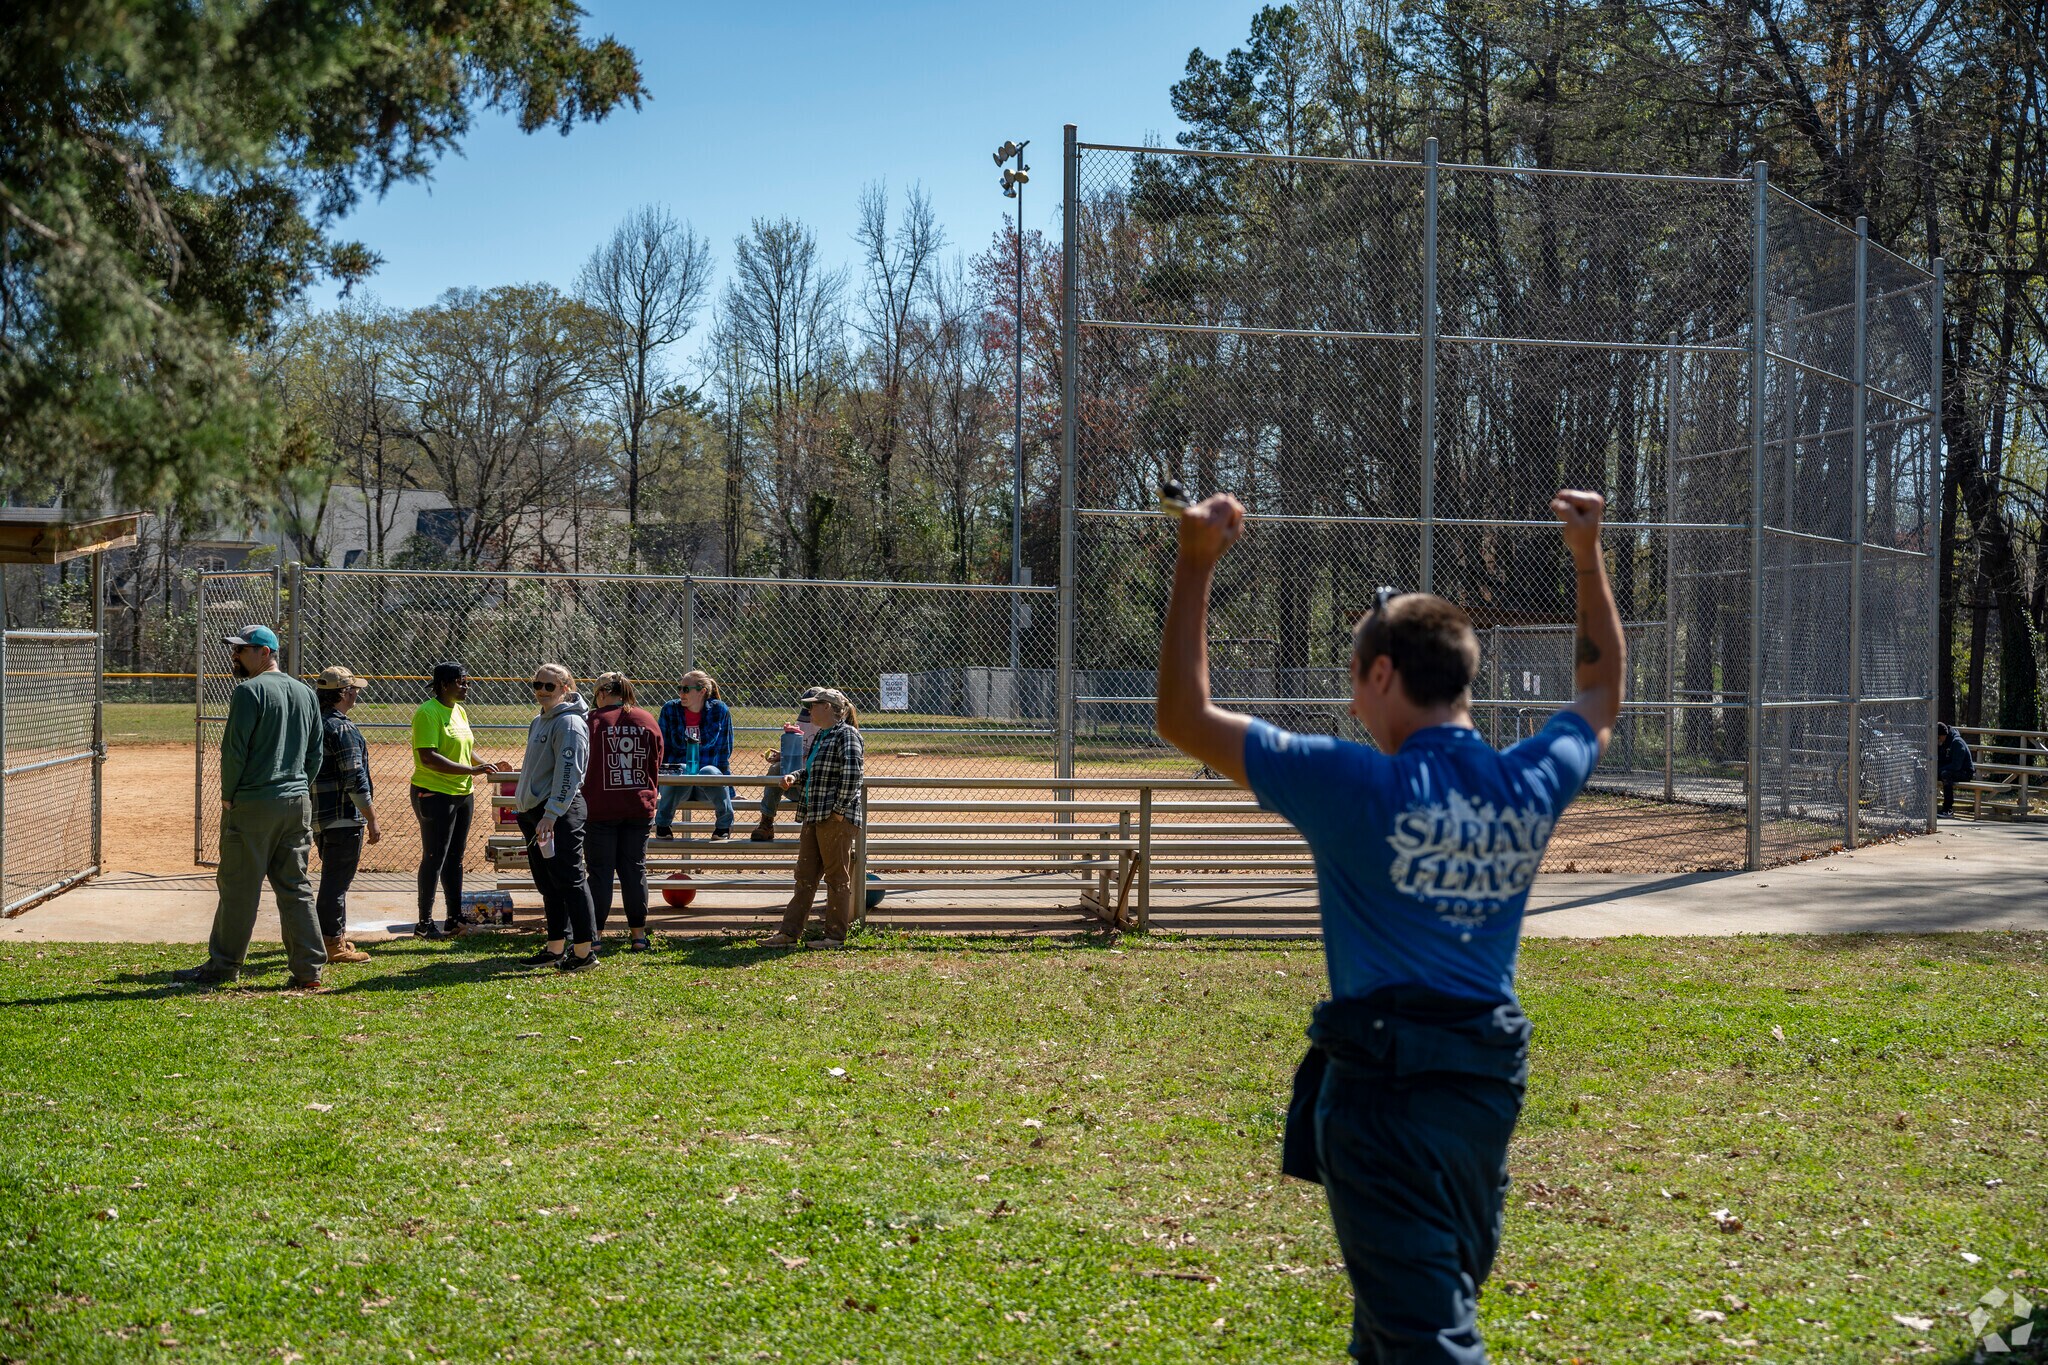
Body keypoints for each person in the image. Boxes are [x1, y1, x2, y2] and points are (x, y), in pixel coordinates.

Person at [1154, 490, 1623, 1365]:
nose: (1352, 699)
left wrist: (1194, 564)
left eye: (1353, 676)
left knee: (1425, 1339)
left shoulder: (1353, 783)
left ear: (1380, 677)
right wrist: (1587, 555)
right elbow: (1601, 690)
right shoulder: (1529, 781)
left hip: (1384, 1095)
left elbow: (1182, 716)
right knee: (1403, 1318)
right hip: (1484, 1086)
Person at [175, 625, 328, 990]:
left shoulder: (248, 691)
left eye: (242, 650)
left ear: (265, 652)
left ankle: (223, 967)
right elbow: (315, 752)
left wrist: (229, 795)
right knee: (295, 886)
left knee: (239, 888)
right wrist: (299, 787)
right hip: (297, 803)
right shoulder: (306, 692)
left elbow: (234, 751)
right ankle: (308, 971)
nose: (236, 656)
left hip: (255, 803)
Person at [760, 687, 864, 949]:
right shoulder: (822, 736)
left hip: (834, 818)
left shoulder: (847, 735)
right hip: (814, 814)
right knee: (804, 875)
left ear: (827, 707)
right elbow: (812, 770)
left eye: (813, 706)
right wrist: (794, 776)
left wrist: (839, 811)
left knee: (836, 878)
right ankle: (789, 933)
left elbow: (853, 776)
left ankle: (834, 937)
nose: (808, 711)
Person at [514, 663, 599, 971]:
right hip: (537, 813)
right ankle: (555, 948)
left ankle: (584, 952)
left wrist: (551, 814)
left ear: (565, 688)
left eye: (549, 686)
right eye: (537, 684)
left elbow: (569, 774)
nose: (541, 690)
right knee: (550, 884)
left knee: (571, 881)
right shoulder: (540, 720)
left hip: (558, 813)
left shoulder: (570, 724)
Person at [409, 661, 504, 939]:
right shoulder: (428, 713)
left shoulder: (459, 711)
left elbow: (468, 749)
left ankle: (453, 917)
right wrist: (471, 770)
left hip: (463, 792)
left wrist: (484, 764)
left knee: (455, 857)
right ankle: (424, 923)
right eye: (461, 682)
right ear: (443, 684)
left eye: (467, 682)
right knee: (434, 856)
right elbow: (428, 756)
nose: (466, 687)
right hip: (435, 792)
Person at [585, 671, 662, 951]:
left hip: (600, 808)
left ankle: (594, 936)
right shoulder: (646, 719)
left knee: (600, 873)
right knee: (634, 871)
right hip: (638, 807)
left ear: (602, 693)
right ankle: (638, 936)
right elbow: (656, 761)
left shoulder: (592, 720)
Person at [309, 665, 379, 965]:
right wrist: (372, 818)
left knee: (333, 880)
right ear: (345, 692)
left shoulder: (312, 723)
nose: (356, 694)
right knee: (335, 885)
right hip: (343, 817)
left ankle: (334, 938)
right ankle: (332, 944)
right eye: (354, 690)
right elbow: (354, 779)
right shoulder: (342, 728)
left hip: (318, 817)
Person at [655, 669, 735, 841]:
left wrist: (729, 789)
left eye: (686, 689)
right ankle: (662, 824)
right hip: (676, 786)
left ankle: (724, 826)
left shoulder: (719, 710)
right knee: (682, 768)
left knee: (710, 772)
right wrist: (655, 787)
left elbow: (723, 753)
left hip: (705, 786)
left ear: (702, 691)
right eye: (679, 688)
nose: (681, 693)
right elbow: (661, 751)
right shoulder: (670, 710)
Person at [750, 686, 824, 841]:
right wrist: (783, 756)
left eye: (812, 705)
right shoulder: (803, 719)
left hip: (818, 788)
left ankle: (815, 830)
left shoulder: (831, 726)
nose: (808, 711)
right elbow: (799, 751)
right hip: (795, 784)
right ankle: (766, 823)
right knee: (777, 768)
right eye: (806, 706)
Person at [1937, 722, 1975, 815]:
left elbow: (1956, 765)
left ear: (1943, 735)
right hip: (1952, 770)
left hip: (1965, 772)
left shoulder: (1957, 742)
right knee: (1931, 773)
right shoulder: (1944, 743)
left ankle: (1948, 808)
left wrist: (1939, 770)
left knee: (1945, 774)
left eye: (1938, 737)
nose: (1938, 740)